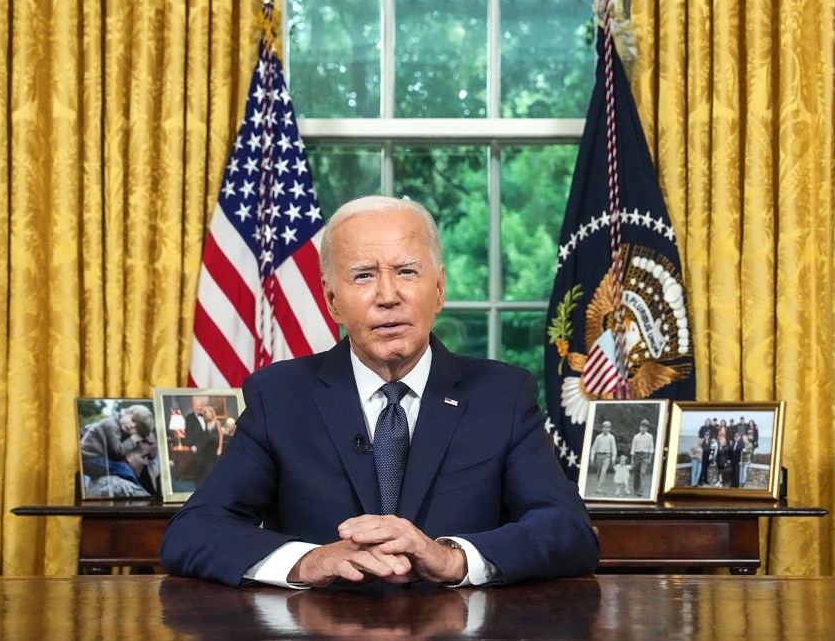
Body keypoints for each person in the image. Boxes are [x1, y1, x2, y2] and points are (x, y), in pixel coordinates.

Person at [161, 195, 599, 588]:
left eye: (407, 271)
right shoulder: (278, 397)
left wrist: (451, 559)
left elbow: (568, 529)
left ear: (440, 288)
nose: (388, 295)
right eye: (363, 276)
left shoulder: (503, 395)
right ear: (332, 301)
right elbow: (193, 531)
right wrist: (308, 561)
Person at [80, 404, 155, 490]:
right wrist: (133, 439)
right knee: (123, 468)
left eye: (137, 428)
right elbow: (118, 451)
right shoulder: (111, 425)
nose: (132, 426)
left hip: (95, 458)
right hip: (88, 458)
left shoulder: (120, 427)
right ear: (126, 413)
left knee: (121, 467)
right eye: (133, 420)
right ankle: (136, 490)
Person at [85, 436, 152, 498]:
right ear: (128, 456)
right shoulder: (127, 490)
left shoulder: (94, 481)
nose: (146, 462)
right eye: (144, 456)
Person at [590, 421, 618, 488]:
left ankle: (599, 487)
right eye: (604, 428)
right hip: (599, 455)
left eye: (607, 428)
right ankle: (599, 482)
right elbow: (594, 447)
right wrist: (592, 456)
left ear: (609, 429)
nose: (606, 429)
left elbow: (613, 448)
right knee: (599, 471)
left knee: (604, 471)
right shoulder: (598, 437)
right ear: (602, 428)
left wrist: (613, 457)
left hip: (607, 456)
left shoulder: (611, 437)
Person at [630, 419, 654, 497]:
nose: (642, 429)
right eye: (641, 427)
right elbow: (633, 449)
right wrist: (632, 460)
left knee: (642, 473)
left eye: (644, 427)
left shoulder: (649, 436)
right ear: (639, 427)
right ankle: (635, 490)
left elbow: (651, 448)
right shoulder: (636, 437)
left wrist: (650, 458)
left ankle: (641, 490)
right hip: (637, 455)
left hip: (645, 456)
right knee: (636, 473)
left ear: (647, 428)